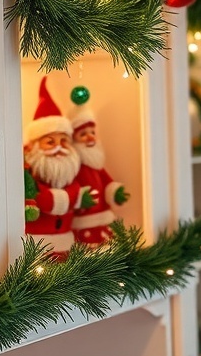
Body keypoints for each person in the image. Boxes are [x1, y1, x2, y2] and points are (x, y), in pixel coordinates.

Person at [24, 78, 95, 260]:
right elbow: (41, 197)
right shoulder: (29, 175)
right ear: (35, 146)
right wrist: (74, 198)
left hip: (66, 247)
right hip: (35, 249)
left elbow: (74, 188)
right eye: (50, 142)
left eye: (64, 141)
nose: (59, 147)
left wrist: (78, 196)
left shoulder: (70, 177)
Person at [70, 95, 129, 245]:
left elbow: (107, 181)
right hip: (83, 218)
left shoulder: (97, 166)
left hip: (103, 214)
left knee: (107, 244)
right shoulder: (75, 166)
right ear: (74, 139)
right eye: (83, 134)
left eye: (92, 132)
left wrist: (115, 192)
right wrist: (80, 198)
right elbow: (73, 186)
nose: (90, 137)